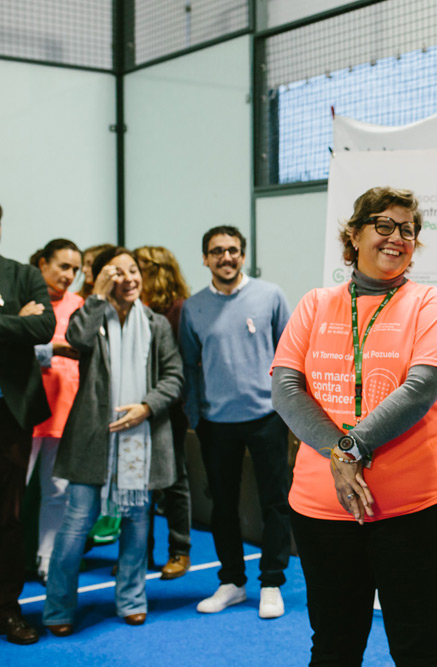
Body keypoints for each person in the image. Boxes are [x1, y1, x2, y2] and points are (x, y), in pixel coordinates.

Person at [271, 186, 437, 665]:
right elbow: (286, 391)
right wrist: (341, 449)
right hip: (322, 514)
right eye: (383, 225)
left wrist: (347, 449)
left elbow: (421, 388)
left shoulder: (428, 302)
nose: (397, 237)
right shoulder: (315, 304)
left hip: (417, 510)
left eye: (408, 229)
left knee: (417, 646)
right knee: (334, 645)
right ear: (354, 234)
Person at [43, 247, 183, 635]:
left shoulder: (155, 324)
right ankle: (58, 606)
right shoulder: (92, 315)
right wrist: (97, 296)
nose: (130, 278)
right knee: (75, 525)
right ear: (104, 279)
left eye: (134, 270)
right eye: (118, 272)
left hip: (141, 437)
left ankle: (132, 600)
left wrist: (146, 406)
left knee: (138, 523)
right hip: (94, 439)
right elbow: (76, 337)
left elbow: (174, 376)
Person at [179, 226, 292, 619]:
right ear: (206, 258)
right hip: (216, 422)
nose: (225, 257)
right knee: (222, 505)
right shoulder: (193, 308)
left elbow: (289, 356)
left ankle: (272, 582)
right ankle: (232, 582)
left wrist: (290, 411)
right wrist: (196, 416)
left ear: (242, 255)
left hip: (267, 417)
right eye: (216, 251)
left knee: (275, 501)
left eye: (232, 250)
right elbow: (189, 367)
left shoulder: (270, 296)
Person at [0, 204, 56, 645]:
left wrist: (25, 323)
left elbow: (43, 326)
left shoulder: (21, 275)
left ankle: (7, 607)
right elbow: (23, 326)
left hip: (9, 414)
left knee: (8, 517)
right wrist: (12, 322)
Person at [26, 239, 84, 583]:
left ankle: (46, 558)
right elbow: (16, 347)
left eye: (75, 269)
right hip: (26, 412)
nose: (69, 275)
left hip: (64, 414)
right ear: (43, 263)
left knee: (58, 491)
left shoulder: (78, 304)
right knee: (12, 491)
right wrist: (56, 348)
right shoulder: (27, 302)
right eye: (63, 266)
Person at [135, 245, 192, 580]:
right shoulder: (132, 309)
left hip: (168, 408)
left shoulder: (177, 310)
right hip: (136, 407)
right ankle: (139, 551)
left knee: (174, 481)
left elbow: (180, 367)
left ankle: (179, 549)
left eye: (138, 267)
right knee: (138, 481)